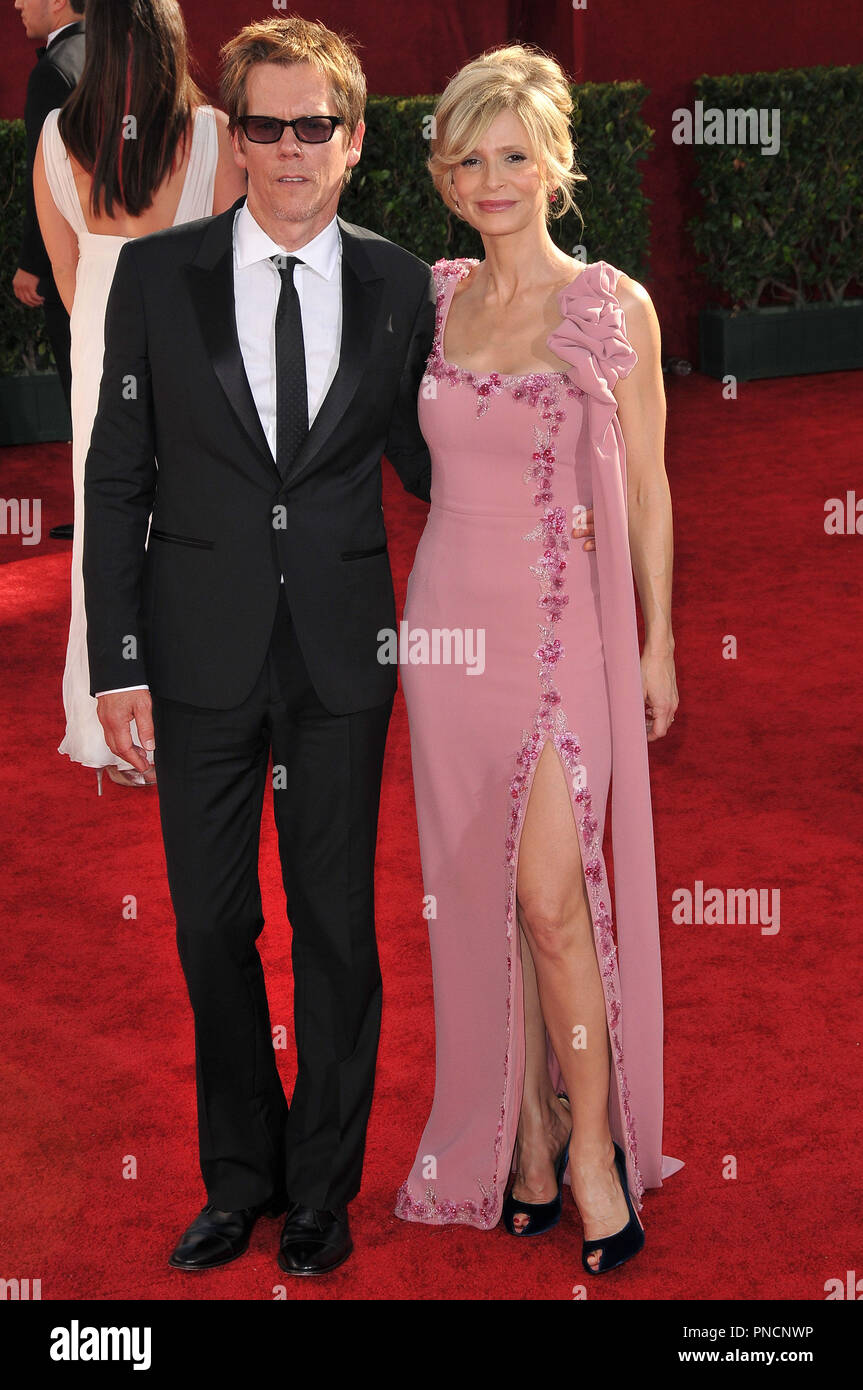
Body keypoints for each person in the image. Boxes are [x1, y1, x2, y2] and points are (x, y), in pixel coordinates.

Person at [81, 15, 436, 1276]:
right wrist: (114, 660)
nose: (290, 151)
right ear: (234, 136)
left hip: (341, 656)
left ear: (353, 141)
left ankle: (323, 1189)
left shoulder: (403, 286)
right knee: (206, 926)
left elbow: (431, 459)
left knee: (338, 928)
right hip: (196, 655)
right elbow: (117, 476)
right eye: (266, 127)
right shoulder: (157, 276)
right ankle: (240, 1175)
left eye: (315, 127)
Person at [395, 43, 683, 1274]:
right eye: (468, 156)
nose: (491, 176)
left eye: (513, 153)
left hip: (564, 643)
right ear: (444, 174)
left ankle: (591, 1155)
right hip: (443, 631)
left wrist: (660, 639)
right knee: (480, 894)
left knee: (551, 900)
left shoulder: (610, 304)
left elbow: (652, 490)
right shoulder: (433, 296)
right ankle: (514, 1140)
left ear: (554, 160)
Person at [33, 0, 246, 788]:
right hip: (189, 348)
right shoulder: (216, 135)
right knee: (192, 518)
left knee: (107, 520)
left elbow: (65, 272)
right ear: (171, 39)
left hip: (99, 342)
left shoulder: (59, 135)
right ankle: (194, 711)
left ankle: (112, 724)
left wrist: (102, 325)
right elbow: (233, 263)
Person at [13, 0, 86, 540]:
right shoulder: (115, 55)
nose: (16, 3)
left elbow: (48, 182)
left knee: (81, 385)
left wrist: (32, 264)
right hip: (120, 254)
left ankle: (95, 514)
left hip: (74, 263)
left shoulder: (54, 71)